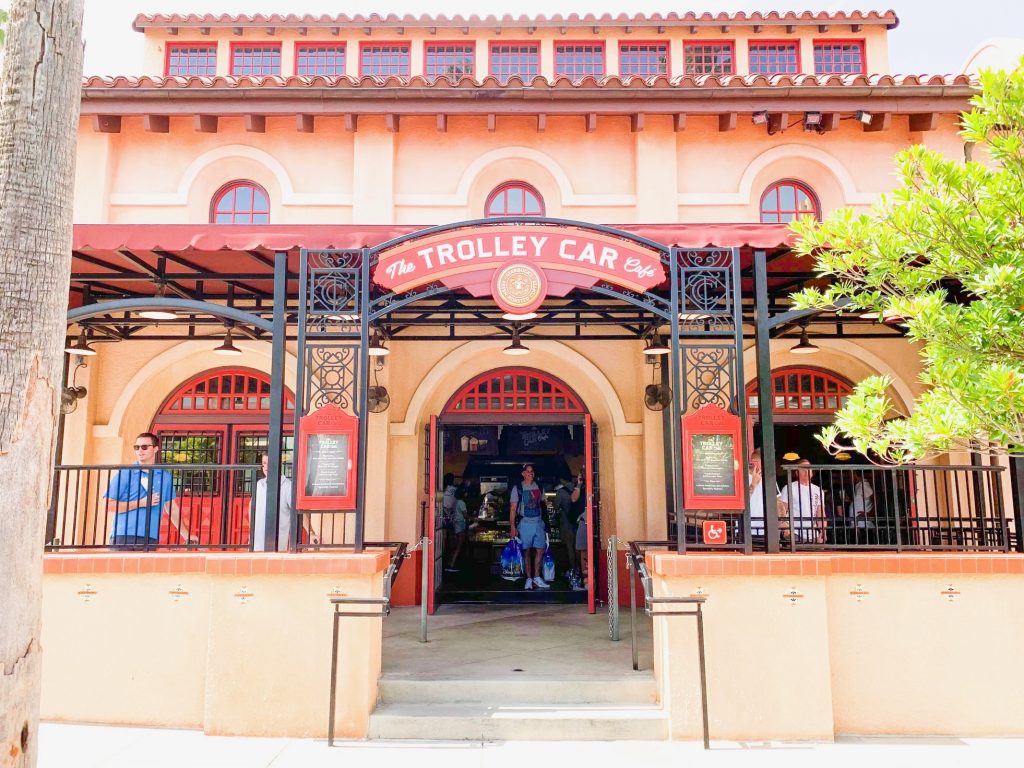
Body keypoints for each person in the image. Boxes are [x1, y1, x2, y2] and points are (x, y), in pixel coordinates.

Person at [104, 432, 195, 550]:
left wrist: (187, 535)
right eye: (136, 447)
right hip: (124, 536)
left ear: (156, 449)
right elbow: (108, 505)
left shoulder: (164, 477)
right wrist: (141, 503)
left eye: (144, 447)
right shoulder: (126, 473)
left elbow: (172, 508)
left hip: (150, 538)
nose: (140, 451)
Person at [252, 453, 318, 551]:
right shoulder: (259, 485)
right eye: (264, 463)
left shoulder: (287, 486)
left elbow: (298, 510)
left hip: (276, 546)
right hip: (256, 545)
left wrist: (311, 533)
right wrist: (251, 531)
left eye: (269, 463)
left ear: (278, 464)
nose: (266, 467)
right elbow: (251, 505)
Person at [509, 463, 549, 590]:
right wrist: (512, 527)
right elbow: (513, 508)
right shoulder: (518, 488)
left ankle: (537, 577)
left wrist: (546, 524)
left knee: (540, 550)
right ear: (523, 473)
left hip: (538, 523)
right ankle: (529, 578)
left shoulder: (539, 487)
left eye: (532, 471)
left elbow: (543, 505)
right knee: (526, 551)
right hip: (525, 523)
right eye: (528, 471)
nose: (530, 473)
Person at [779, 459, 826, 543]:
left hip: (813, 534)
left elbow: (820, 512)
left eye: (809, 469)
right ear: (797, 473)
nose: (806, 471)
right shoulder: (789, 487)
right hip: (795, 532)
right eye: (803, 469)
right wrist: (785, 528)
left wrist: (823, 531)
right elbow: (783, 510)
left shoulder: (818, 490)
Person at [747, 448, 787, 542]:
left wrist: (784, 522)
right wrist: (753, 484)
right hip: (747, 529)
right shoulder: (743, 477)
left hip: (767, 530)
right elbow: (742, 503)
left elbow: (777, 501)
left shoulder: (769, 478)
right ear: (756, 462)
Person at [554, 473, 580, 574]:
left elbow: (556, 506)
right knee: (579, 547)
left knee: (570, 547)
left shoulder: (561, 492)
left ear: (562, 480)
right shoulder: (579, 489)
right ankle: (580, 569)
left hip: (567, 522)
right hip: (579, 522)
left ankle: (572, 569)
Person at [445, 486, 469, 572]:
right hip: (460, 525)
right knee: (458, 546)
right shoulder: (462, 503)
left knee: (455, 546)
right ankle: (451, 564)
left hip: (456, 525)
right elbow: (465, 516)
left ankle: (449, 563)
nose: (466, 494)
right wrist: (474, 518)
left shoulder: (455, 502)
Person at [573, 470, 589, 590]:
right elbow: (573, 499)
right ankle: (586, 580)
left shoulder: (596, 487)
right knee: (583, 551)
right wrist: (579, 484)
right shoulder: (580, 488)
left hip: (595, 522)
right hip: (583, 522)